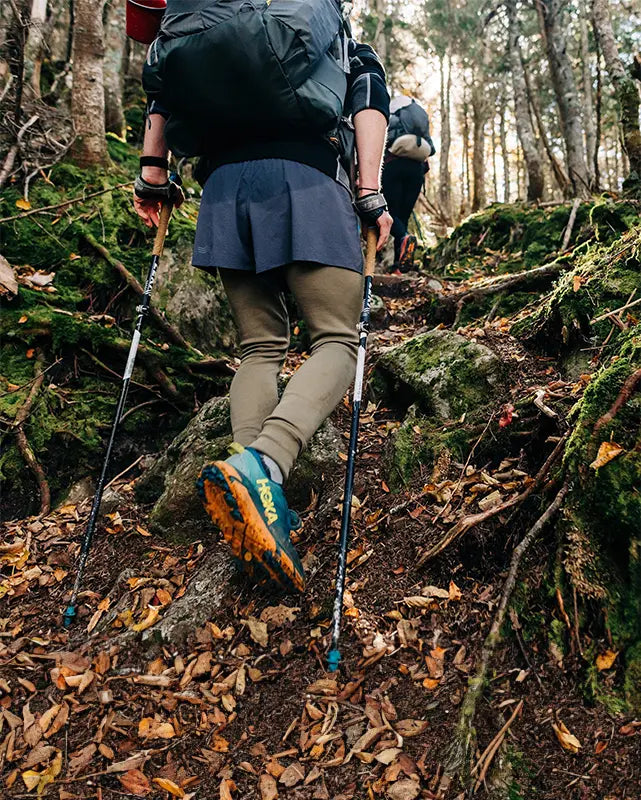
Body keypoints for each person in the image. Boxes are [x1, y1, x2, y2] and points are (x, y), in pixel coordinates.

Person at [133, 35, 392, 594]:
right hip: (305, 176)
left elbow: (161, 93)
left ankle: (257, 497)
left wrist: (153, 174)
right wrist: (370, 192)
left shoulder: (206, 30)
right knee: (338, 340)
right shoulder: (333, 35)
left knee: (260, 347)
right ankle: (267, 464)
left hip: (224, 188)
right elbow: (368, 100)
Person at [381, 96, 435, 272]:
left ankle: (404, 238)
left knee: (390, 212)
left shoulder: (392, 114)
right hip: (416, 170)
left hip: (393, 166)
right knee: (402, 217)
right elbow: (431, 149)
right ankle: (399, 267)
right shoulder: (419, 120)